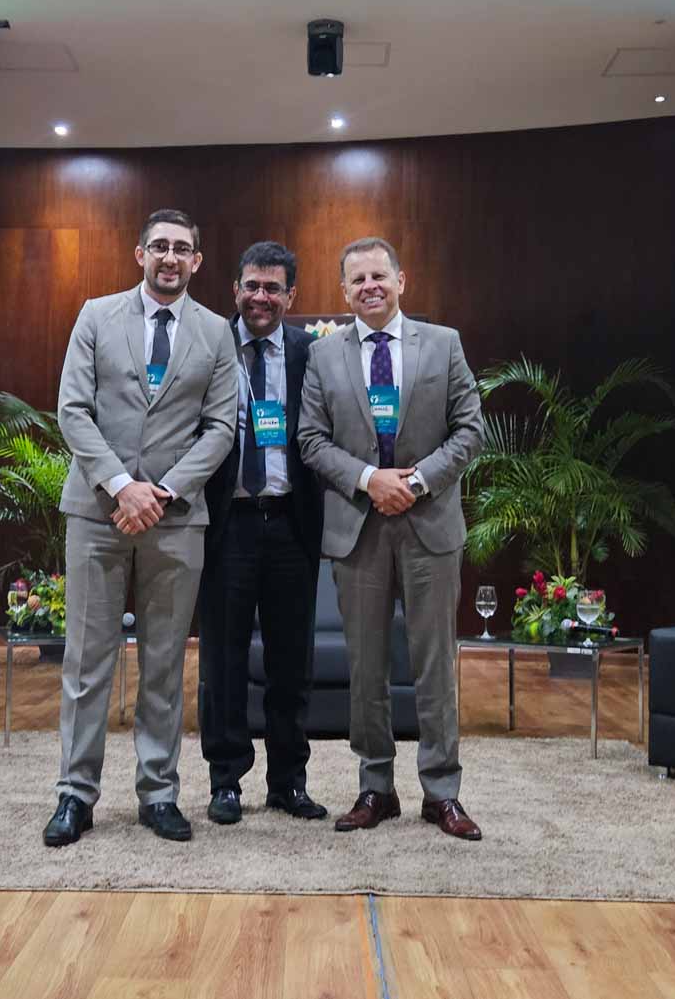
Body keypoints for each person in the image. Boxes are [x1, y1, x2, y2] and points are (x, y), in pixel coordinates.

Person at [44, 209, 239, 847]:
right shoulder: (96, 316)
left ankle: (158, 793)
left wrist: (164, 490)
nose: (170, 257)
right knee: (86, 661)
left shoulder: (216, 332)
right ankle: (75, 794)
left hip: (175, 519)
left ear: (197, 261)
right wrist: (121, 486)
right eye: (159, 246)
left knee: (164, 662)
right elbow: (73, 410)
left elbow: (221, 428)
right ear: (140, 254)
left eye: (182, 248)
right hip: (98, 513)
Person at [298, 236, 485, 840]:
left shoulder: (444, 343)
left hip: (430, 526)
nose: (369, 287)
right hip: (360, 529)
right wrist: (369, 479)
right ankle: (375, 787)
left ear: (402, 281)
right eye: (357, 280)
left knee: (435, 665)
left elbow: (469, 429)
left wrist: (417, 481)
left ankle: (442, 792)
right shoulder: (323, 355)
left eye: (379, 275)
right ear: (343, 291)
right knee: (367, 669)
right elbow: (310, 440)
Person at [195, 242, 328, 826]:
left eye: (273, 288)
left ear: (290, 296)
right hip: (228, 523)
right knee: (222, 661)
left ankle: (288, 782)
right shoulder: (209, 345)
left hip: (291, 523)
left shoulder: (310, 353)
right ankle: (225, 780)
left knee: (291, 662)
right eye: (252, 285)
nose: (261, 297)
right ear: (235, 289)